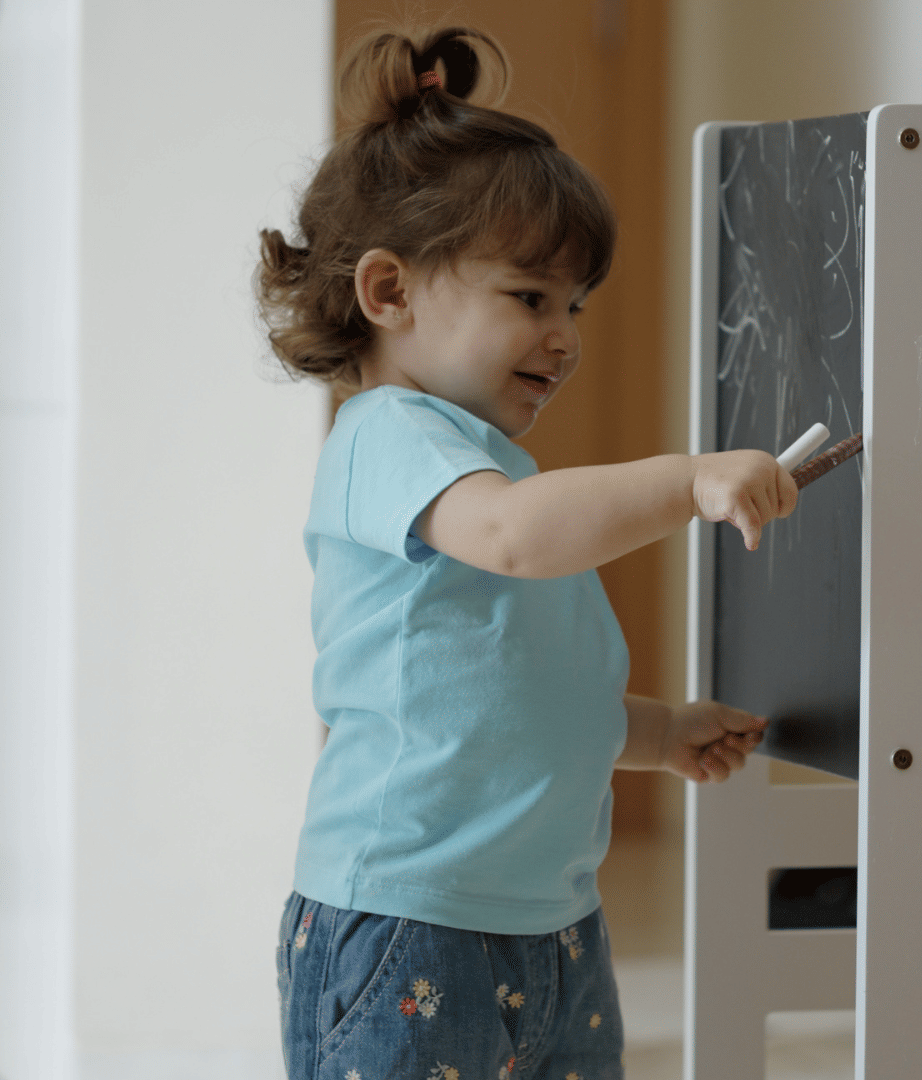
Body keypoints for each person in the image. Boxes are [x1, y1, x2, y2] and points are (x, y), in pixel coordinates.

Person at [256, 20, 798, 1080]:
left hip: (551, 924)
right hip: (407, 921)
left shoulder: (484, 467)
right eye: (530, 298)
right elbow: (512, 540)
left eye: (575, 305)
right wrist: (687, 480)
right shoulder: (395, 444)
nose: (566, 336)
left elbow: (520, 693)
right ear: (389, 291)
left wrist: (659, 731)